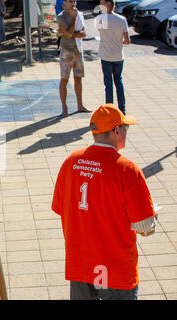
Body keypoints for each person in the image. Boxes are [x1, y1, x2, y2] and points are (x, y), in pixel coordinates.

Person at [52, 103, 158, 300]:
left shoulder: (70, 162)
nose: (126, 131)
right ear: (117, 130)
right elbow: (145, 227)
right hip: (116, 269)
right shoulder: (128, 170)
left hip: (81, 266)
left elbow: (61, 208)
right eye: (125, 127)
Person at [57, 0, 91, 117]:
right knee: (64, 80)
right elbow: (69, 34)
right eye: (71, 1)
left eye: (74, 1)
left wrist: (69, 33)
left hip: (78, 51)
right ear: (65, 3)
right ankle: (64, 107)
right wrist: (73, 19)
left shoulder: (80, 14)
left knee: (78, 79)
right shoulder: (61, 16)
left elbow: (83, 34)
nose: (73, 4)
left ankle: (80, 105)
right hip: (66, 52)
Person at [95, 0, 130, 114]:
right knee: (118, 82)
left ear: (107, 5)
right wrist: (119, 42)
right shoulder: (122, 19)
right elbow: (127, 41)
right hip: (118, 56)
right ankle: (122, 109)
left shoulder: (100, 19)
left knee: (108, 84)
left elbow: (100, 31)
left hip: (106, 56)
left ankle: (109, 110)